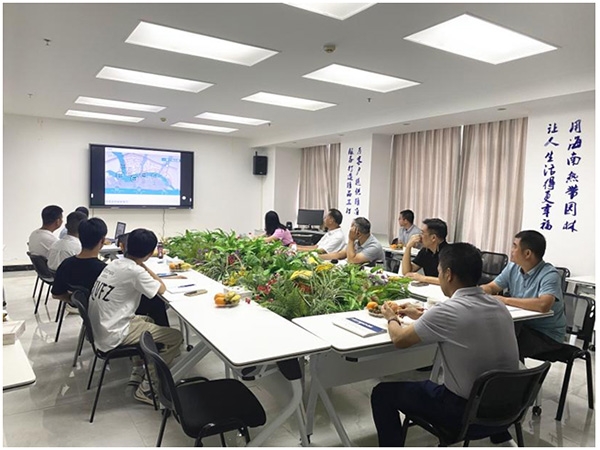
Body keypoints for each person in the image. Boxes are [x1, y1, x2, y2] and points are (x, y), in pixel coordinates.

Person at [371, 243, 519, 447]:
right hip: (508, 412)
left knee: (382, 393)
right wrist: (423, 315)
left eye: (439, 271)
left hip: (463, 415)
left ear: (448, 274)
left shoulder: (447, 311)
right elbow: (461, 323)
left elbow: (399, 340)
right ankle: (500, 437)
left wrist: (390, 317)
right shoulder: (499, 306)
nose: (439, 275)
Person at [88, 228, 183, 405]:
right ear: (149, 253)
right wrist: (143, 266)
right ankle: (147, 387)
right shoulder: (135, 271)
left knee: (148, 321)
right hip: (113, 332)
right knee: (175, 337)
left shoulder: (114, 264)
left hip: (101, 328)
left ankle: (139, 367)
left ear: (125, 246)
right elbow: (161, 289)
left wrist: (140, 264)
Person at [481, 230, 566, 360]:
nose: (511, 250)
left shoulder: (549, 274)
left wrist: (505, 300)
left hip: (546, 335)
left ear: (527, 254)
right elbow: (492, 287)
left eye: (515, 246)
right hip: (522, 326)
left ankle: (517, 373)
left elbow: (544, 305)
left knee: (502, 340)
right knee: (488, 332)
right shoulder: (513, 268)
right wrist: (478, 291)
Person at [52, 218, 109, 303]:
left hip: (77, 307)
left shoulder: (66, 264)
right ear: (103, 240)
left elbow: (56, 294)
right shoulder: (105, 271)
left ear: (79, 237)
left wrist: (76, 301)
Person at [401, 218, 448, 285]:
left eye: (422, 233)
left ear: (433, 238)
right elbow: (406, 272)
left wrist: (423, 278)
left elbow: (447, 281)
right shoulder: (425, 251)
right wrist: (408, 247)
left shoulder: (449, 253)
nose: (419, 236)